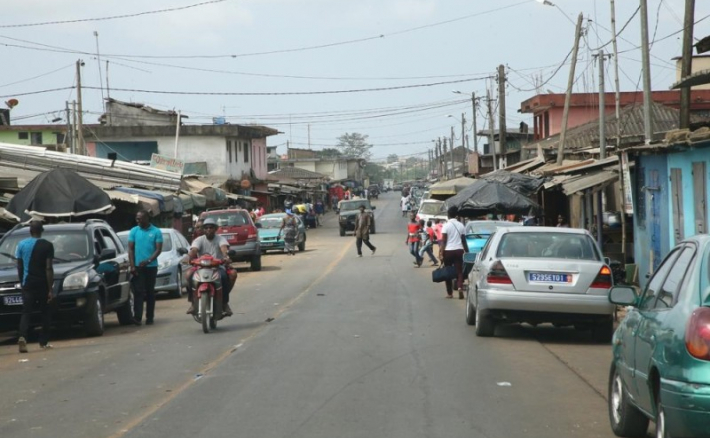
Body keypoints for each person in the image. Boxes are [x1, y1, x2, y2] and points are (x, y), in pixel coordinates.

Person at [16, 220, 54, 353]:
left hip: (28, 283)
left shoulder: (21, 245)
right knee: (45, 312)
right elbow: (48, 268)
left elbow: (20, 266)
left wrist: (22, 283)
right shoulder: (48, 245)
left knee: (26, 312)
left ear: (30, 231)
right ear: (41, 231)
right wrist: (50, 289)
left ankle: (22, 337)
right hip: (43, 283)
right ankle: (43, 342)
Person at [187, 217, 236, 315]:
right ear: (203, 230)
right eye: (206, 228)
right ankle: (192, 303)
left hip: (217, 267)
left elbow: (224, 248)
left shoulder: (220, 239)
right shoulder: (199, 240)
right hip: (200, 267)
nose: (209, 229)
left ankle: (224, 303)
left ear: (215, 229)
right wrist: (189, 257)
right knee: (188, 275)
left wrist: (226, 256)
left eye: (211, 227)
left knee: (224, 277)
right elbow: (194, 250)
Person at [128, 210, 163, 325]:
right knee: (138, 292)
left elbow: (158, 249)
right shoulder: (134, 231)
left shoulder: (156, 231)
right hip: (138, 266)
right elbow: (131, 249)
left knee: (150, 292)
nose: (138, 221)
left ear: (147, 218)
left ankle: (150, 317)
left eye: (140, 218)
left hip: (151, 267)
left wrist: (148, 260)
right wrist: (132, 265)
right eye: (137, 218)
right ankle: (137, 317)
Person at [439, 206, 469, 299]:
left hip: (448, 251)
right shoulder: (461, 225)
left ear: (448, 215)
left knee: (447, 271)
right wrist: (467, 251)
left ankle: (450, 293)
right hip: (459, 251)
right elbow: (464, 240)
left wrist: (440, 252)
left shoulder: (446, 225)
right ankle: (459, 287)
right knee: (459, 271)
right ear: (456, 215)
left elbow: (443, 241)